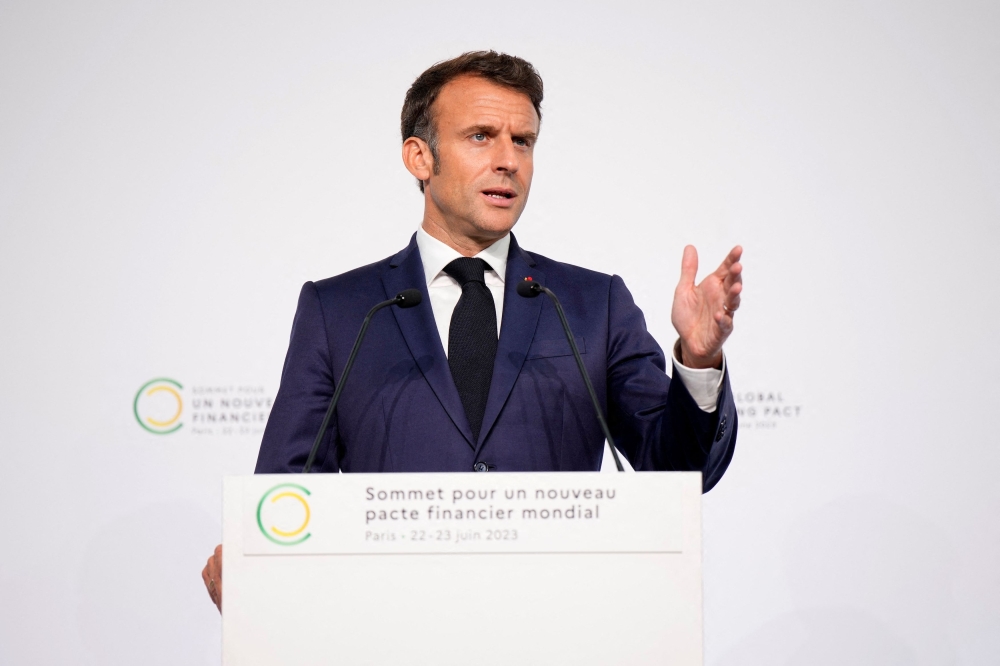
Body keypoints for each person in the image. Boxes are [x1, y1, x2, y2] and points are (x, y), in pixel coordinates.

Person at [202, 51, 743, 611]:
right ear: (420, 157)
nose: (508, 160)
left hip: (561, 624)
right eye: (482, 136)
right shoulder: (341, 310)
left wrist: (699, 361)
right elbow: (287, 494)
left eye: (523, 141)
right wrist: (256, 561)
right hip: (391, 627)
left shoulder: (590, 304)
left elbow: (679, 473)